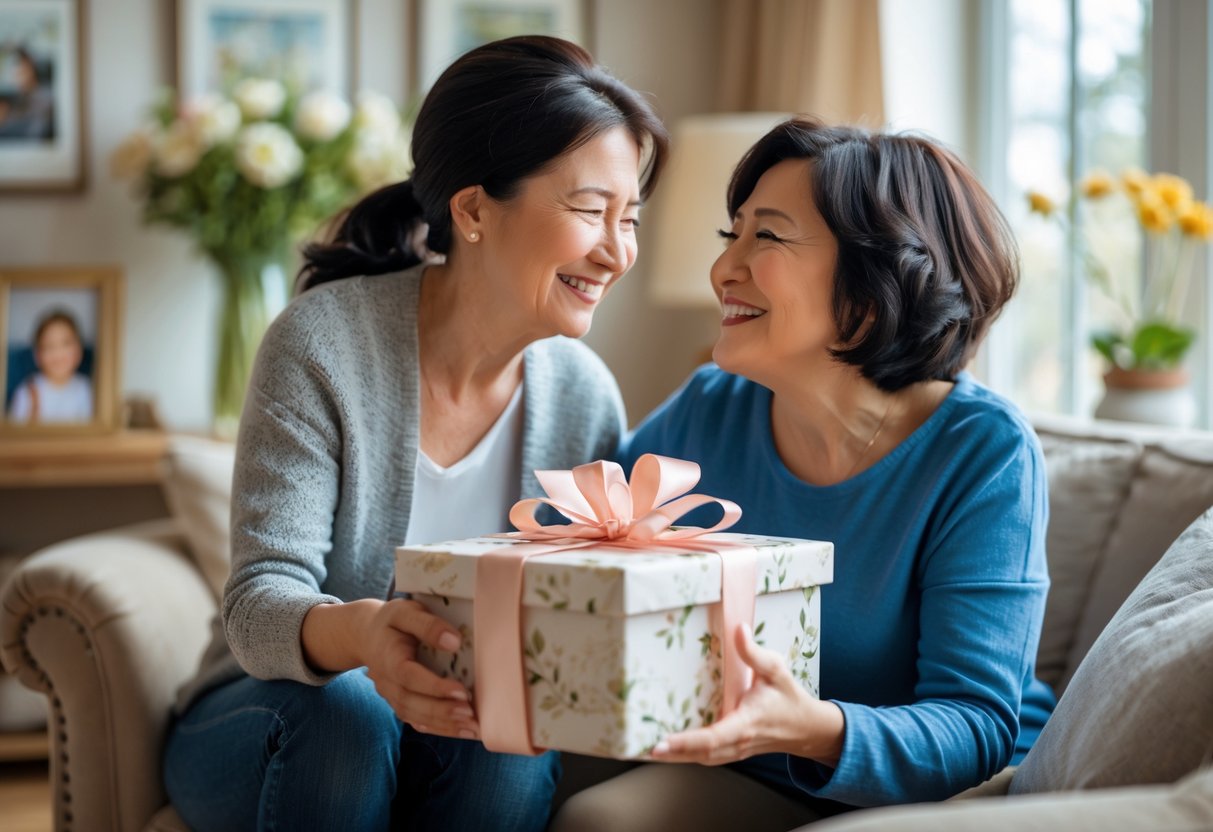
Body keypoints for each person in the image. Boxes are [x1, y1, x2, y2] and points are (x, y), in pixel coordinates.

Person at [162, 36, 668, 832]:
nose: (616, 251)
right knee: (352, 712)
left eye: (629, 217)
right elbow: (259, 609)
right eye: (588, 210)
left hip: (453, 739)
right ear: (471, 209)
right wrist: (365, 633)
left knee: (506, 725)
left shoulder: (582, 398)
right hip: (270, 719)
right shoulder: (322, 346)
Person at [551, 118, 1055, 831]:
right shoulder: (711, 407)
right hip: (740, 754)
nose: (724, 269)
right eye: (733, 235)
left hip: (919, 790)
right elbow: (579, 541)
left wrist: (805, 727)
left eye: (768, 236)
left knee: (604, 821)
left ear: (875, 281)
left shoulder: (983, 451)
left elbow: (974, 726)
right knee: (497, 759)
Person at [8, 309, 92, 423]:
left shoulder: (87, 389)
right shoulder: (26, 392)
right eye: (49, 346)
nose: (58, 354)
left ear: (79, 350)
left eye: (66, 344)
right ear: (37, 355)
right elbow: (15, 436)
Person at [0, 47, 55, 141]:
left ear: (30, 65)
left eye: (18, 65)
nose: (14, 72)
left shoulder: (46, 97)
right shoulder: (13, 100)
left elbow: (37, 133)